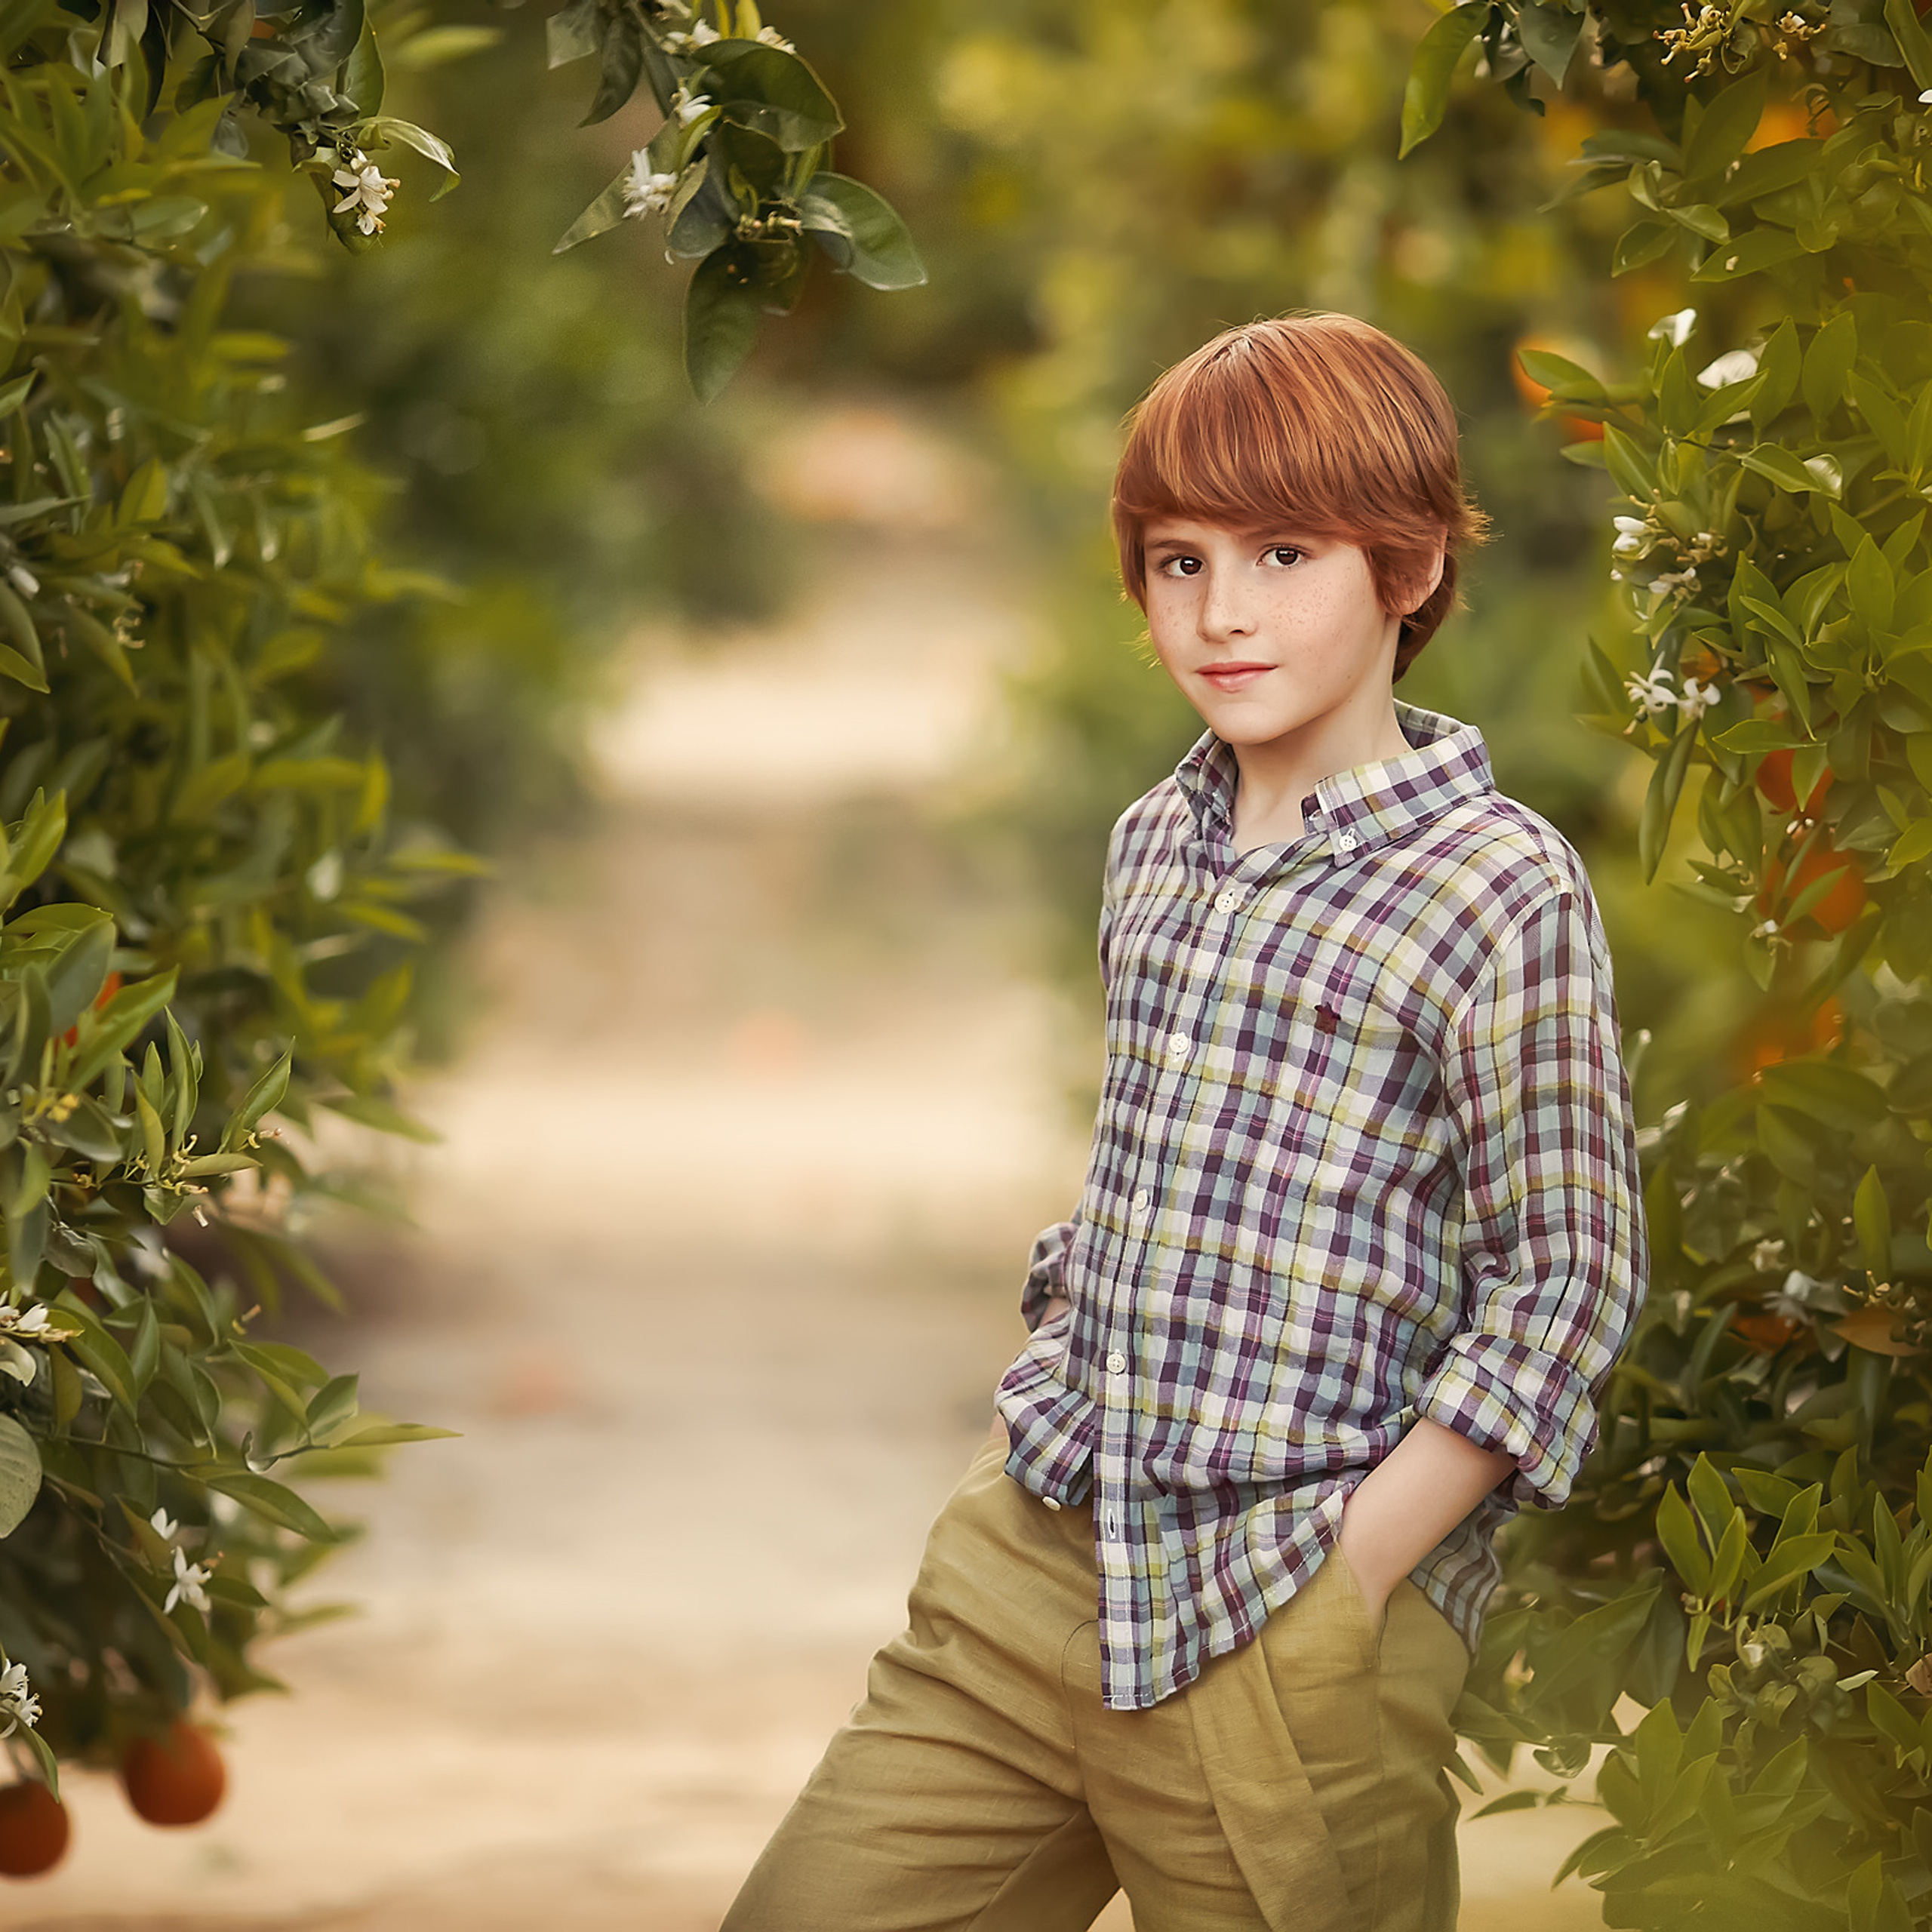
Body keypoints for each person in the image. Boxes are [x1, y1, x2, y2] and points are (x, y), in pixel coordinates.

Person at [722, 312, 1646, 1932]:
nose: (1221, 611)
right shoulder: (1156, 839)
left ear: (1411, 564)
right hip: (1035, 1563)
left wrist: (1353, 1572)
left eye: (1283, 553)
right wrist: (1049, 1383)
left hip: (1280, 1611)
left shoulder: (1496, 886)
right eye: (1177, 561)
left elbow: (1565, 1278)